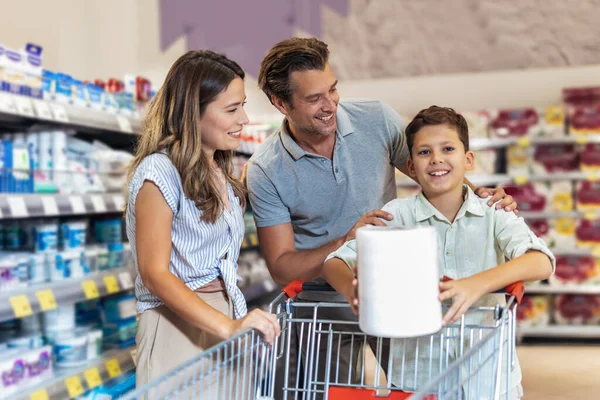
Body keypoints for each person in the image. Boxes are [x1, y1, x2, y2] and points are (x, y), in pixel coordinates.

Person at [247, 37, 518, 395]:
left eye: (333, 89)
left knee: (422, 386)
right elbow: (281, 266)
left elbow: (435, 173)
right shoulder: (266, 169)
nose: (330, 105)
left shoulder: (376, 119)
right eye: (314, 99)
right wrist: (347, 241)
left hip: (395, 286)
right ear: (281, 103)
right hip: (323, 303)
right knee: (327, 391)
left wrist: (481, 197)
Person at [323, 105, 555, 398]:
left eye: (447, 148)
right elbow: (335, 262)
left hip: (488, 375)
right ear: (411, 167)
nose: (436, 160)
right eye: (424, 152)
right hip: (417, 377)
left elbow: (541, 261)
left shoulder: (494, 212)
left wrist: (476, 284)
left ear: (468, 159)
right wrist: (352, 289)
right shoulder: (396, 215)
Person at [125, 50, 280, 392]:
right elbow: (154, 273)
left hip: (224, 312)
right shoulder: (159, 172)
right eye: (231, 109)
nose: (243, 119)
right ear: (192, 112)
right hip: (176, 323)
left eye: (242, 105)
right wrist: (227, 327)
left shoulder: (219, 169)